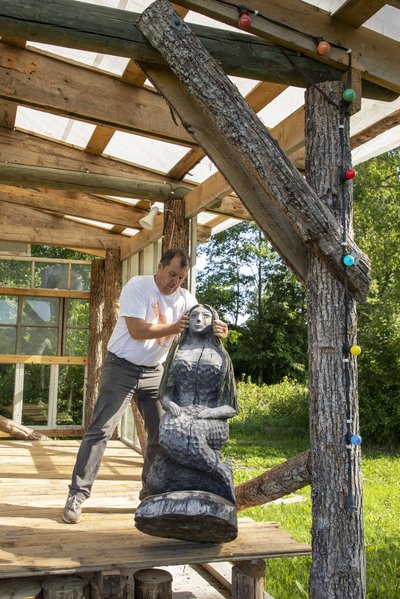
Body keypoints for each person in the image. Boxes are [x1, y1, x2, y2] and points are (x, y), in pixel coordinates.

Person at [63, 248, 228, 524]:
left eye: (182, 277)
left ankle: (149, 495)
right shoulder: (138, 286)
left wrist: (219, 330)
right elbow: (137, 331)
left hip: (155, 373)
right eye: (172, 274)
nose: (175, 282)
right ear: (160, 267)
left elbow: (198, 330)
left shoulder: (187, 299)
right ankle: (77, 495)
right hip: (121, 367)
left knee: (161, 436)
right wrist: (175, 326)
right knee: (100, 431)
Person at [144, 303, 237, 504]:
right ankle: (212, 478)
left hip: (212, 419)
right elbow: (165, 393)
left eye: (205, 316)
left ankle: (220, 475)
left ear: (214, 322)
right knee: (169, 430)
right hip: (180, 414)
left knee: (191, 433)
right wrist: (169, 404)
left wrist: (211, 413)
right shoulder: (177, 352)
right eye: (194, 315)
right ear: (187, 321)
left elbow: (230, 407)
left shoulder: (221, 356)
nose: (199, 320)